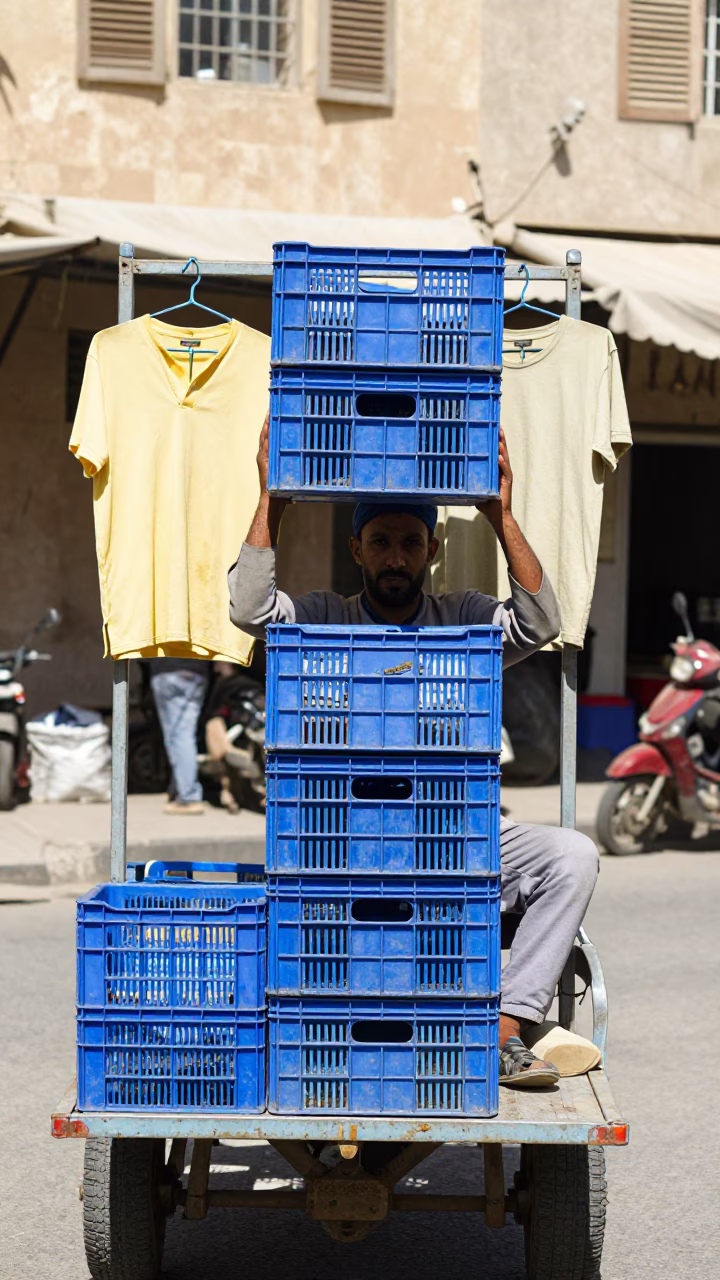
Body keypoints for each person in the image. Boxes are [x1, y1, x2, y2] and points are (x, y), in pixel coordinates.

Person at [227, 420, 600, 1087]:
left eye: (408, 543)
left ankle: (505, 1030)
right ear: (357, 549)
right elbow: (249, 610)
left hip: (454, 832)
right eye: (381, 542)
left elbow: (541, 623)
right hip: (343, 834)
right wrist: (272, 498)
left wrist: (500, 514)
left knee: (572, 854)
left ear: (430, 550)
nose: (394, 557)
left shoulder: (463, 615)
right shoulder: (324, 616)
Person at [148, 658, 210, 815]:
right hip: (197, 670)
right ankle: (178, 789)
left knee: (177, 736)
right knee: (183, 734)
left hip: (168, 669)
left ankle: (188, 796)